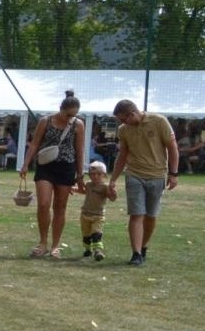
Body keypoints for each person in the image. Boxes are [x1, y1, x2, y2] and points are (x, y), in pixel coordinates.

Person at [107, 98, 179, 266]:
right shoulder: (123, 130)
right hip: (134, 175)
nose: (123, 123)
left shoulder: (159, 121)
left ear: (132, 114)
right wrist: (113, 179)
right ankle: (136, 253)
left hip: (157, 175)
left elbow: (172, 147)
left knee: (151, 216)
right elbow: (122, 155)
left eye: (124, 119)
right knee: (136, 214)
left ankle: (143, 246)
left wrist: (174, 173)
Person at [20, 90, 85, 259]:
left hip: (66, 167)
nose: (70, 118)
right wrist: (25, 164)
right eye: (68, 114)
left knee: (60, 207)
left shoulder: (78, 124)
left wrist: (80, 174)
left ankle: (55, 246)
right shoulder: (45, 121)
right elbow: (34, 144)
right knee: (43, 204)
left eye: (73, 115)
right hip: (46, 166)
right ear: (61, 109)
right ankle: (42, 242)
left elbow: (80, 150)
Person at [74, 160, 110, 261]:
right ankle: (87, 249)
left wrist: (113, 192)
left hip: (98, 215)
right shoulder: (89, 184)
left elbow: (111, 197)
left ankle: (98, 251)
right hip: (85, 214)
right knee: (86, 234)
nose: (95, 176)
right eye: (92, 174)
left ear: (104, 175)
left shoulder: (105, 187)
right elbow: (84, 191)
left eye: (99, 174)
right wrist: (73, 188)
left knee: (96, 232)